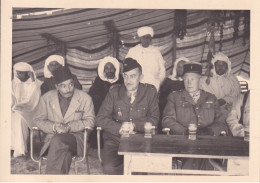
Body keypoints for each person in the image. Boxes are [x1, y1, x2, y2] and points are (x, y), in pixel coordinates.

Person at [96, 57, 159, 175]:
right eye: (125, 76)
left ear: (141, 77)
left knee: (138, 169)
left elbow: (154, 119)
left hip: (140, 140)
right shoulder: (114, 91)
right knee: (109, 168)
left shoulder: (150, 92)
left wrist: (135, 126)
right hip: (115, 140)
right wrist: (119, 128)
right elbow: (100, 118)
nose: (128, 80)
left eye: (132, 76)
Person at [162, 63, 228, 170]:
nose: (189, 82)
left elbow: (221, 122)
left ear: (200, 80)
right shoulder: (174, 97)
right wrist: (184, 132)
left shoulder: (210, 98)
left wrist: (210, 131)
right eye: (186, 78)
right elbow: (167, 120)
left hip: (208, 143)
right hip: (183, 144)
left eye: (193, 79)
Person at [34, 66, 95, 174]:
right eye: (63, 86)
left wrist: (69, 127)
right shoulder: (46, 98)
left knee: (58, 140)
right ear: (56, 86)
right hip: (52, 140)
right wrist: (54, 127)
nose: (68, 89)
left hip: (76, 139)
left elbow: (90, 121)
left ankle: (50, 178)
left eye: (71, 84)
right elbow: (38, 120)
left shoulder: (85, 98)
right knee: (64, 154)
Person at [88, 56, 123, 149]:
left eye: (111, 67)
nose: (109, 70)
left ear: (115, 69)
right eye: (107, 68)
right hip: (101, 110)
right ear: (103, 70)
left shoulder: (121, 80)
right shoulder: (98, 81)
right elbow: (93, 97)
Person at [11, 62, 41, 157]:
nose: (18, 75)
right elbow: (11, 98)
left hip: (32, 111)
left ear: (28, 73)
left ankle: (20, 148)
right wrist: (12, 107)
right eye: (17, 72)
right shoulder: (13, 84)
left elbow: (33, 100)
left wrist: (33, 81)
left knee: (20, 119)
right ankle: (11, 146)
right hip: (16, 110)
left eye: (21, 73)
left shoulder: (37, 83)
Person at [199, 52, 241, 119]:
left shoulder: (233, 79)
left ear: (227, 66)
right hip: (210, 111)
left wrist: (224, 100)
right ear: (214, 65)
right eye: (218, 65)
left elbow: (236, 94)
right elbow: (202, 94)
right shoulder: (205, 79)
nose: (220, 67)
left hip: (229, 110)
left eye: (223, 65)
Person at [125, 26, 166, 91]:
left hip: (153, 84)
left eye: (148, 37)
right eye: (144, 37)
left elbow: (162, 70)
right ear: (140, 38)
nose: (146, 40)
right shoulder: (133, 51)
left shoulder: (156, 51)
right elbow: (126, 68)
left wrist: (158, 83)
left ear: (151, 39)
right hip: (137, 85)